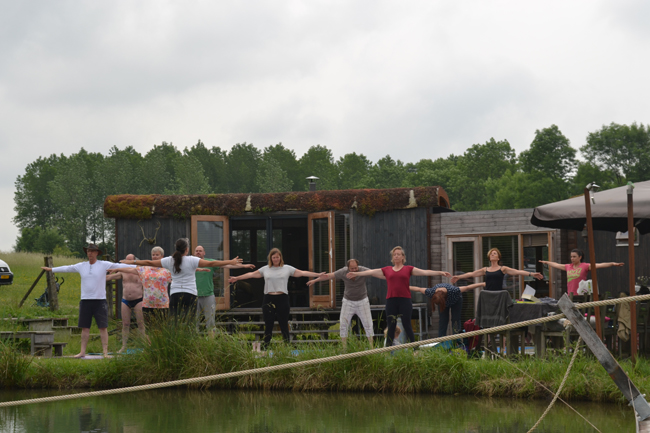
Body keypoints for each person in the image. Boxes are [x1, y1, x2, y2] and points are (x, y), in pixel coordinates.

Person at [346, 246, 452, 347]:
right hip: (391, 301)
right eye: (394, 254)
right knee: (391, 326)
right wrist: (356, 274)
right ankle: (388, 349)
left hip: (404, 301)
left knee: (407, 325)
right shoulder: (387, 270)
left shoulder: (408, 269)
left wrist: (440, 272)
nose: (396, 256)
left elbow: (424, 272)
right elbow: (371, 272)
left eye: (398, 254)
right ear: (393, 257)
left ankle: (415, 348)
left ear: (403, 257)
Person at [42, 243, 135, 358]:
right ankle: (82, 352)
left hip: (100, 301)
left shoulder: (103, 264)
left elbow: (119, 266)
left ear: (96, 253)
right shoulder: (82, 266)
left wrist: (141, 266)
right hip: (85, 300)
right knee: (85, 327)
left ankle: (105, 352)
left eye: (92, 251)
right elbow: (67, 268)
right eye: (88, 251)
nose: (89, 253)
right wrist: (51, 269)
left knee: (103, 327)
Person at [120, 238, 242, 321]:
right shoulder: (192, 260)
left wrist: (132, 261)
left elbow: (149, 262)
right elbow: (213, 263)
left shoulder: (169, 260)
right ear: (187, 249)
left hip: (175, 294)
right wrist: (230, 261)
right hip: (190, 294)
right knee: (190, 323)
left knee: (175, 323)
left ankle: (175, 345)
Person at [228, 248, 325, 350]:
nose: (275, 259)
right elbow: (251, 275)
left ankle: (287, 347)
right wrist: (237, 278)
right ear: (271, 258)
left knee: (283, 324)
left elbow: (302, 273)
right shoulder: (265, 269)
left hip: (282, 298)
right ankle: (265, 347)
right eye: (273, 257)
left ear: (280, 258)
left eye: (277, 257)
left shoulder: (287, 268)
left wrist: (318, 275)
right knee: (268, 324)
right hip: (268, 298)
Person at [307, 258, 374, 347]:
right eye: (352, 269)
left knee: (368, 324)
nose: (354, 270)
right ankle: (344, 348)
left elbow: (373, 272)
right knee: (343, 324)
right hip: (348, 301)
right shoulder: (343, 271)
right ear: (347, 268)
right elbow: (329, 276)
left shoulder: (362, 270)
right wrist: (315, 280)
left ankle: (371, 347)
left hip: (362, 301)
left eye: (355, 268)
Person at [194, 245, 255, 336]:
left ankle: (211, 342)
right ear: (194, 253)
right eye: (196, 251)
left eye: (200, 251)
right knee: (194, 322)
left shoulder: (210, 262)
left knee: (210, 322)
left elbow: (226, 265)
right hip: (194, 296)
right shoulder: (191, 263)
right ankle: (194, 340)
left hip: (208, 295)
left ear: (204, 253)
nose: (198, 252)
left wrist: (244, 266)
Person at [106, 254, 149, 353]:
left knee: (140, 324)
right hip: (125, 300)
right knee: (125, 324)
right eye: (126, 260)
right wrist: (95, 277)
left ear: (134, 261)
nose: (128, 262)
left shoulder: (139, 270)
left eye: (130, 260)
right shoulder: (122, 271)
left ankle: (144, 346)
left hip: (138, 299)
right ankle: (123, 347)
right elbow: (110, 277)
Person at [410, 282, 485, 337]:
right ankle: (441, 341)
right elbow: (418, 289)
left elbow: (467, 287)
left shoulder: (453, 290)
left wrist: (482, 284)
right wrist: (405, 286)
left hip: (456, 300)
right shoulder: (431, 292)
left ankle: (456, 340)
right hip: (443, 303)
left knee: (455, 319)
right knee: (443, 320)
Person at [539, 249, 624, 297]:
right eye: (571, 257)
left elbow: (599, 265)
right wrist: (547, 262)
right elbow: (556, 265)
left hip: (581, 295)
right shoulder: (568, 266)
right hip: (570, 294)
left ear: (580, 257)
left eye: (574, 257)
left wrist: (612, 264)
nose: (572, 258)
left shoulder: (585, 266)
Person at [450, 247, 544, 290]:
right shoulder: (485, 269)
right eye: (491, 254)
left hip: (499, 294)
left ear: (498, 258)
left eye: (494, 253)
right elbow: (472, 274)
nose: (492, 254)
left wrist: (532, 274)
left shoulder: (503, 269)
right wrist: (459, 277)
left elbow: (517, 272)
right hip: (488, 294)